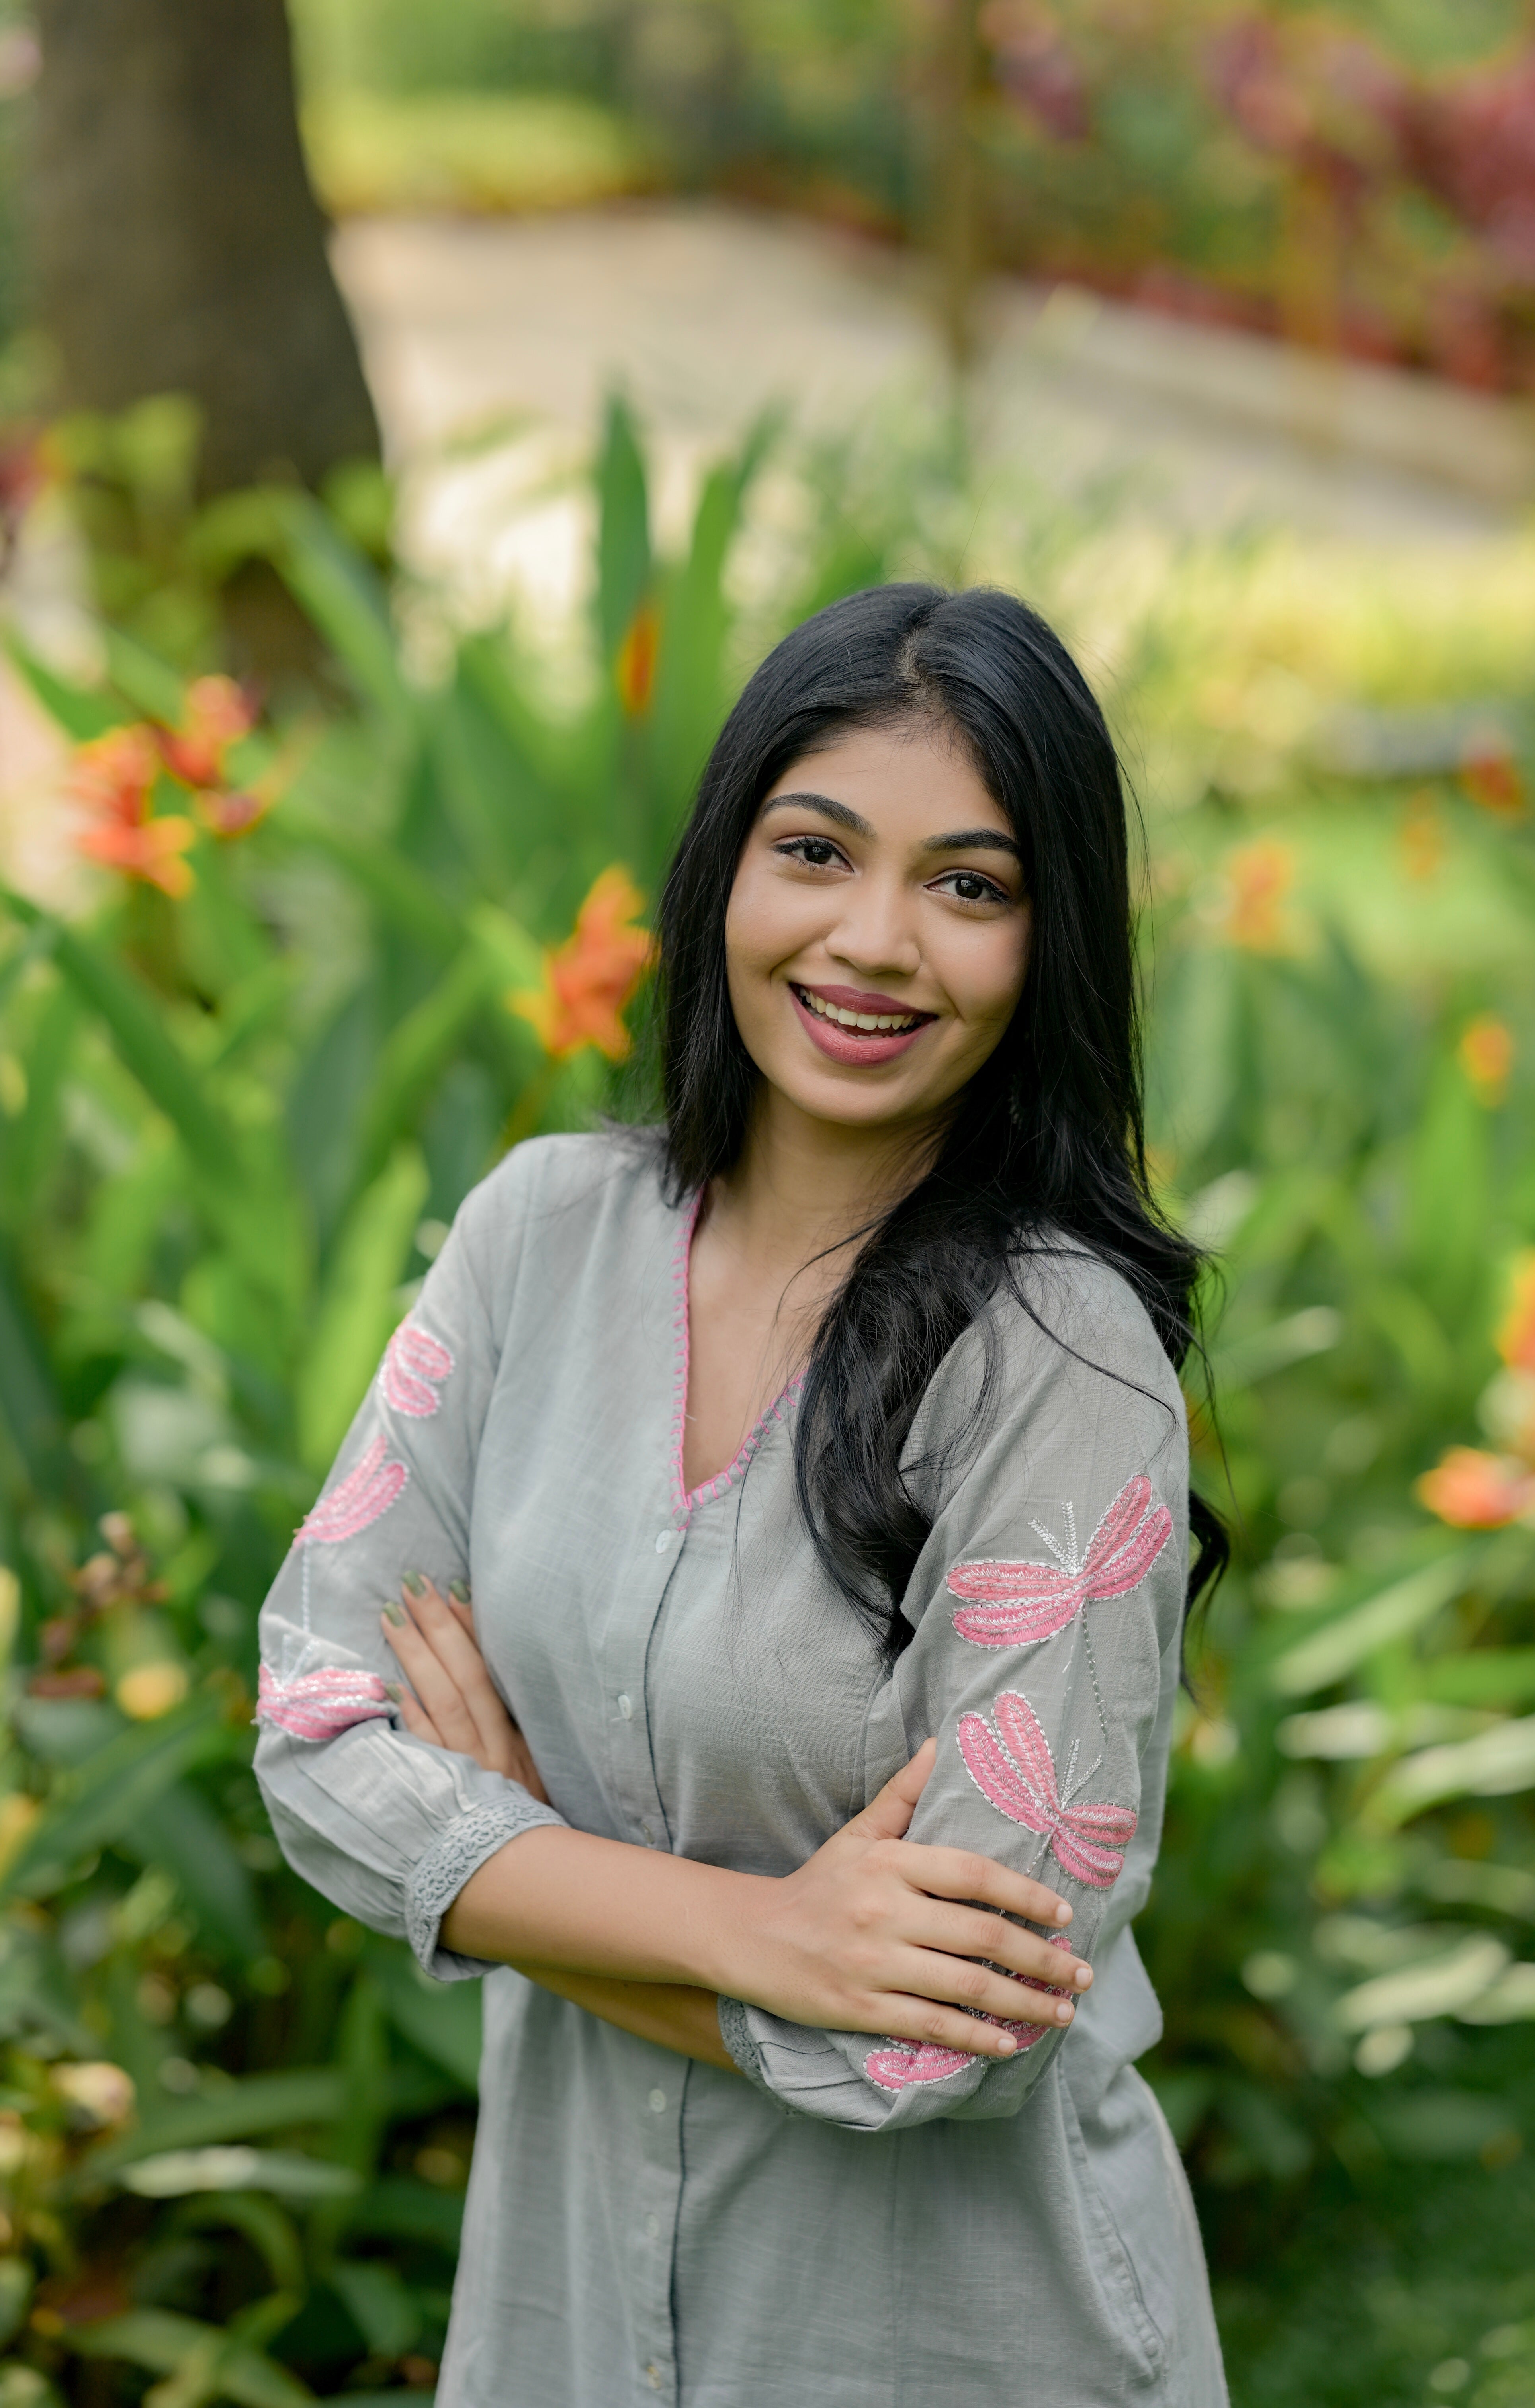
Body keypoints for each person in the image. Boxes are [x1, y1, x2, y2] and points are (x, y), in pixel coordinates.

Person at [254, 582, 1230, 2407]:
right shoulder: (538, 1236)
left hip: (950, 2344)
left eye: (970, 885)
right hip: (559, 2330)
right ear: (725, 872)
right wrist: (761, 1933)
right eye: (817, 850)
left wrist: (515, 1863)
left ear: (1052, 943)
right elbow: (317, 1732)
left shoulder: (1066, 1362)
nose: (873, 942)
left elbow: (952, 2044)